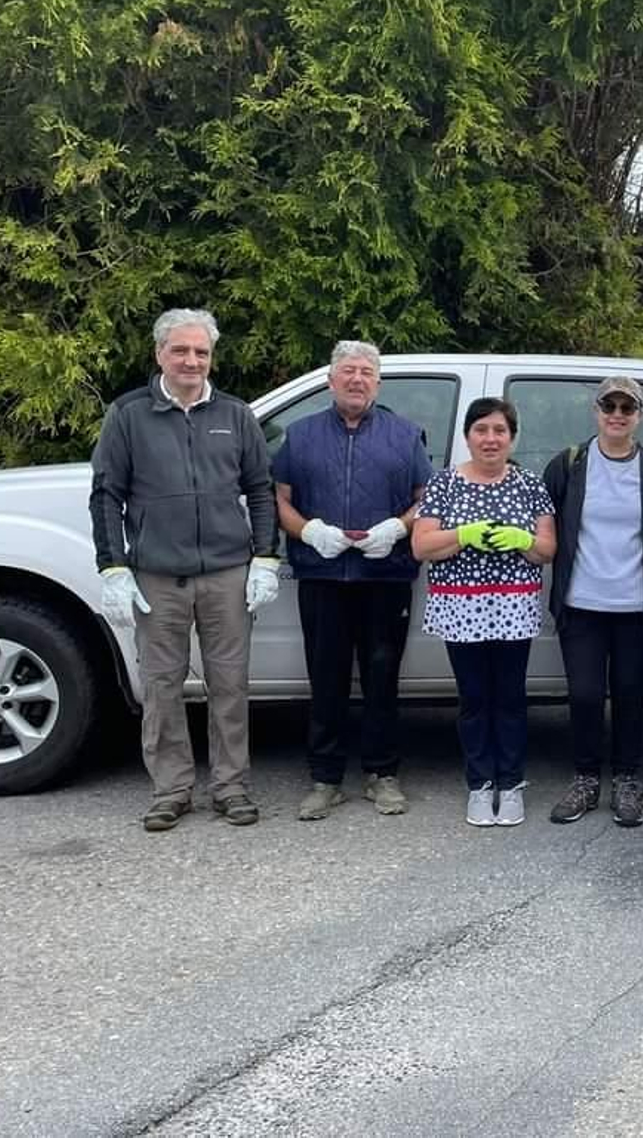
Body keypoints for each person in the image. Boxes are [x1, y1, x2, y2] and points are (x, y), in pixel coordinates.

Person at [89, 308, 279, 832]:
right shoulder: (128, 415)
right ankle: (171, 789)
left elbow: (261, 491)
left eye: (201, 352)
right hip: (157, 576)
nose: (191, 360)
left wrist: (265, 557)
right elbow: (106, 494)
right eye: (181, 350)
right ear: (160, 355)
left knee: (230, 684)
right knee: (161, 685)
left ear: (211, 357)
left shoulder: (236, 415)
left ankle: (231, 786)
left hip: (226, 574)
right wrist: (113, 567)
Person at [271, 340, 433, 822]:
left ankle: (382, 774)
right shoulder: (299, 436)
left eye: (366, 372)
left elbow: (428, 498)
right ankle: (326, 779)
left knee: (383, 678)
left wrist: (398, 528)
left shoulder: (405, 437)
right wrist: (309, 531)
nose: (357, 379)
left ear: (378, 383)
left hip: (384, 575)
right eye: (348, 372)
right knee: (326, 680)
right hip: (323, 575)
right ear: (330, 380)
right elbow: (279, 498)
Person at [411, 397, 555, 828]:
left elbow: (547, 549)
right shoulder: (444, 484)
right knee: (474, 699)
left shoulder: (530, 484)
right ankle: (480, 784)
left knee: (509, 697)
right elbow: (421, 545)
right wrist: (464, 534)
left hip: (513, 606)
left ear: (512, 437)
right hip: (461, 607)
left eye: (499, 431)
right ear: (468, 435)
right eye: (482, 430)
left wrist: (522, 540)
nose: (490, 439)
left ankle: (510, 784)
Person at [542, 376, 643, 828]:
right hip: (583, 604)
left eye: (626, 408)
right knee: (586, 695)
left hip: (635, 607)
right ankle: (586, 779)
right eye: (608, 406)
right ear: (596, 411)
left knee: (630, 695)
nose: (616, 414)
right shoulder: (569, 464)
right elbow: (544, 523)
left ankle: (627, 779)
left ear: (639, 417)